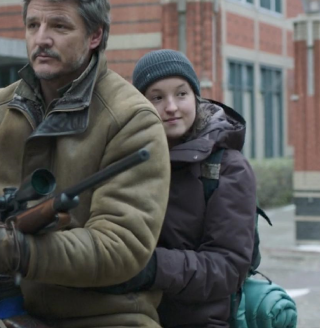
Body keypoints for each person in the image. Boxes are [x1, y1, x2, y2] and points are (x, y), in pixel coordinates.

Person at [0, 0, 171, 328]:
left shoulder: (131, 119)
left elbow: (121, 246)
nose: (41, 38)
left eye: (59, 26)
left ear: (94, 36)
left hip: (104, 316)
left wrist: (14, 250)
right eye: (32, 25)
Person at [102, 49, 257, 328]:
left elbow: (228, 267)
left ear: (195, 97)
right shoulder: (124, 162)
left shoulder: (228, 168)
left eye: (181, 94)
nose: (171, 107)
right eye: (157, 97)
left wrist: (151, 269)